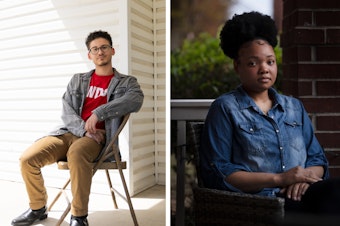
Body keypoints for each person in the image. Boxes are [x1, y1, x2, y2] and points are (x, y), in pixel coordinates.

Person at [199, 11, 340, 218]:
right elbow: (219, 173)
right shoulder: (225, 108)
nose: (264, 69)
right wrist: (280, 179)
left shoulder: (294, 107)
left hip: (304, 193)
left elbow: (317, 159)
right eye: (253, 63)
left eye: (270, 62)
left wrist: (301, 178)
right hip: (260, 202)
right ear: (237, 66)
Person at [11, 30, 144, 226]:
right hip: (67, 133)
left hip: (98, 140)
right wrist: (84, 129)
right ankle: (37, 208)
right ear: (89, 55)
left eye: (104, 47)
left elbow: (136, 100)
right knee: (27, 159)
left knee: (77, 152)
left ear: (112, 51)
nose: (100, 52)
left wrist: (100, 112)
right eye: (95, 49)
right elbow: (67, 111)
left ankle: (79, 216)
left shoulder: (126, 82)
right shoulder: (78, 80)